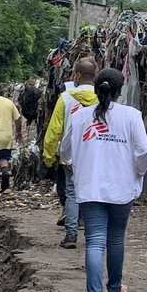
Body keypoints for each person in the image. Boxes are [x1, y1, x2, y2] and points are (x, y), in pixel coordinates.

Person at [60, 67, 147, 292]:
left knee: (95, 241)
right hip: (122, 187)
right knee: (116, 239)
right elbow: (144, 152)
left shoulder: (80, 115)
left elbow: (64, 149)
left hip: (90, 187)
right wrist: (138, 173)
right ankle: (114, 289)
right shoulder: (131, 116)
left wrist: (73, 161)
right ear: (120, 90)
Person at [43, 58, 99, 248]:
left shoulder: (66, 98)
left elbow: (54, 130)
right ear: (95, 75)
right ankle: (93, 236)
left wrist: (49, 157)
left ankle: (71, 235)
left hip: (70, 156)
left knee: (72, 193)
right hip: (95, 154)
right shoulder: (102, 98)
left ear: (77, 75)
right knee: (92, 194)